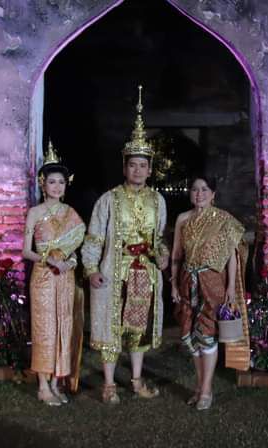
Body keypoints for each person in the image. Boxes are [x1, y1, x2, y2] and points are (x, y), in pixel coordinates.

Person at [82, 86, 169, 404]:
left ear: (150, 169)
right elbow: (94, 237)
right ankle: (108, 384)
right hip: (114, 271)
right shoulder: (109, 199)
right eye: (132, 164)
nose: (138, 170)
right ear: (124, 167)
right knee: (111, 326)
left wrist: (162, 256)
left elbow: (159, 238)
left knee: (138, 329)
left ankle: (135, 379)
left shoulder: (158, 201)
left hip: (144, 273)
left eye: (143, 165)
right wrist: (91, 268)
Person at [171, 176, 248, 410]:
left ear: (213, 194)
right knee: (189, 335)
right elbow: (176, 254)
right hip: (187, 281)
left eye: (205, 189)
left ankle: (206, 390)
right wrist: (173, 284)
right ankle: (200, 386)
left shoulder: (224, 220)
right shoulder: (183, 219)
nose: (199, 194)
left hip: (213, 282)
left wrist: (231, 288)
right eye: (195, 189)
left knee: (207, 333)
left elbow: (232, 257)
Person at [22, 141, 85, 406]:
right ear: (42, 184)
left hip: (65, 277)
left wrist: (71, 261)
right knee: (45, 328)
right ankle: (42, 385)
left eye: (61, 182)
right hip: (44, 277)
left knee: (63, 325)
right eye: (52, 182)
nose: (57, 187)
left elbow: (75, 249)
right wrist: (49, 260)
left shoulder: (71, 214)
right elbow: (26, 251)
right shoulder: (35, 213)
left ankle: (58, 381)